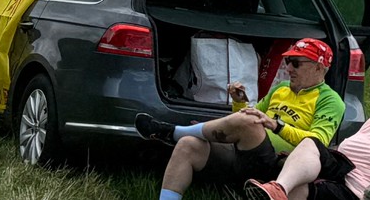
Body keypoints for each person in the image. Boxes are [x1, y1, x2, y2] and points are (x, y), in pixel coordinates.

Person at [137, 37, 344, 200]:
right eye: (288, 61)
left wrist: (276, 125)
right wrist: (239, 103)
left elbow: (318, 144)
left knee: (251, 122)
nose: (288, 69)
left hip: (278, 166)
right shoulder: (281, 88)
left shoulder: (330, 100)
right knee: (188, 144)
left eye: (296, 63)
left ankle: (173, 132)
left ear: (319, 68)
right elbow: (248, 118)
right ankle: (179, 140)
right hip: (246, 154)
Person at [243, 77, 370, 200]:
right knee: (311, 143)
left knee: (299, 191)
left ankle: (273, 191)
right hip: (341, 171)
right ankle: (277, 188)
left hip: (362, 193)